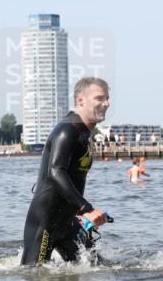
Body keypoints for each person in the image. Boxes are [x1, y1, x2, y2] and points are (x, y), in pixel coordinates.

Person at [21, 77, 110, 265]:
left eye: (107, 98)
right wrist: (87, 209)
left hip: (69, 221)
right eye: (99, 98)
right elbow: (56, 172)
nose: (106, 104)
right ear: (81, 100)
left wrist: (78, 212)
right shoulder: (67, 131)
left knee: (98, 269)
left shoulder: (83, 132)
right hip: (46, 221)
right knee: (33, 276)